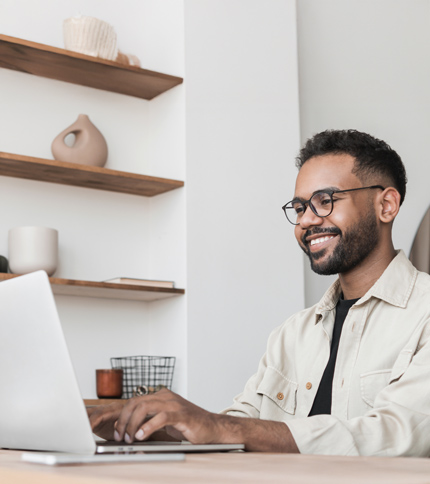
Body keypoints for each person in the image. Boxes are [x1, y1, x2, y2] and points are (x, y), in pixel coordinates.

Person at [89, 129, 430, 456]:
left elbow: (397, 434)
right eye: (299, 208)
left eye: (324, 201)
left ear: (386, 205)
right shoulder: (292, 334)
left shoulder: (424, 314)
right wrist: (152, 426)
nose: (306, 222)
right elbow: (241, 425)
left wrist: (222, 427)